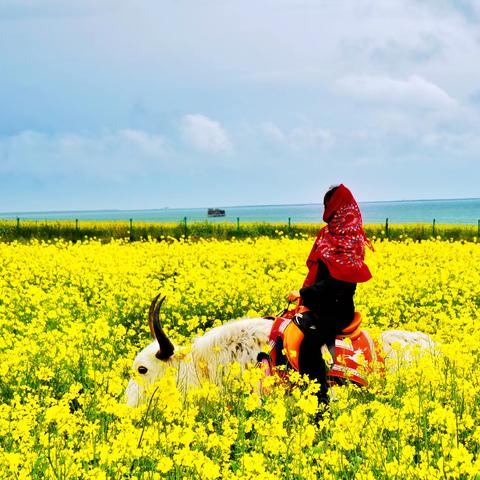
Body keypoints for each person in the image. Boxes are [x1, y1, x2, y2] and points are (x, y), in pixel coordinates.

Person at [287, 184, 373, 405]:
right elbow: (316, 271)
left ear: (341, 209)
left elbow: (340, 285)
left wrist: (304, 292)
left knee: (309, 344)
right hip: (317, 304)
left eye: (331, 208)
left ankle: (319, 402)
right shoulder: (326, 234)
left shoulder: (352, 240)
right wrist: (304, 298)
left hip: (336, 310)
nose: (327, 214)